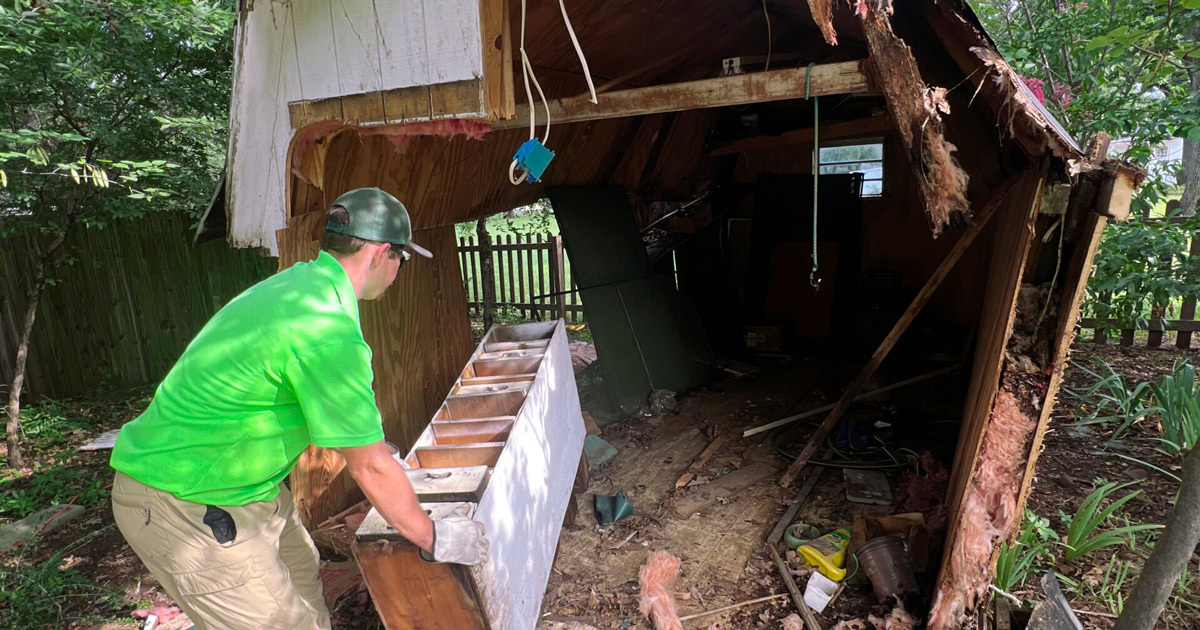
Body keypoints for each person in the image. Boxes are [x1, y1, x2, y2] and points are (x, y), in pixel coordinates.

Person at [109, 188, 488, 630]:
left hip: (245, 487)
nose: (398, 271)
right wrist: (435, 536)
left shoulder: (298, 287)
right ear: (382, 253)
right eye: (401, 259)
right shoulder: (325, 327)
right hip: (184, 499)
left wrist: (371, 446)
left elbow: (300, 400)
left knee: (305, 579)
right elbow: (369, 470)